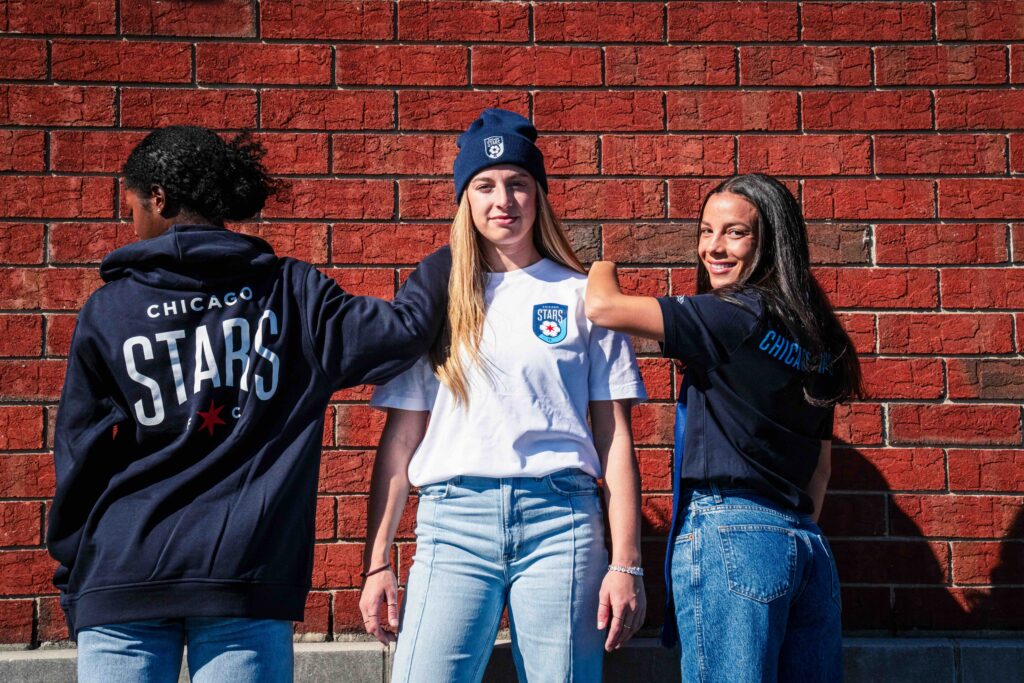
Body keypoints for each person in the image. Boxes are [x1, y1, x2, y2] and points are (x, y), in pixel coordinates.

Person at [45, 125, 451, 683]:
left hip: (120, 576)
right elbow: (405, 329)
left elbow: (77, 454)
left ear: (159, 199)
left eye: (133, 206)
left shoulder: (109, 309)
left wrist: (75, 575)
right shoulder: (294, 293)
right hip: (243, 576)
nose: (131, 222)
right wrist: (457, 252)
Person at [358, 108, 648, 682]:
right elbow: (401, 441)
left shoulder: (582, 297)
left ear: (539, 195)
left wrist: (627, 562)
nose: (503, 200)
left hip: (561, 519)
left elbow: (614, 437)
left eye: (518, 184)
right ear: (464, 200)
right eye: (484, 186)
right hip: (453, 522)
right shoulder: (437, 298)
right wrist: (377, 563)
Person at [585, 174, 861, 683]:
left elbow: (602, 307)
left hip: (733, 535)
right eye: (707, 231)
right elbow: (819, 470)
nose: (714, 247)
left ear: (771, 241)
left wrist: (601, 263)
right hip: (804, 546)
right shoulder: (816, 334)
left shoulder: (731, 315)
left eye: (735, 233)